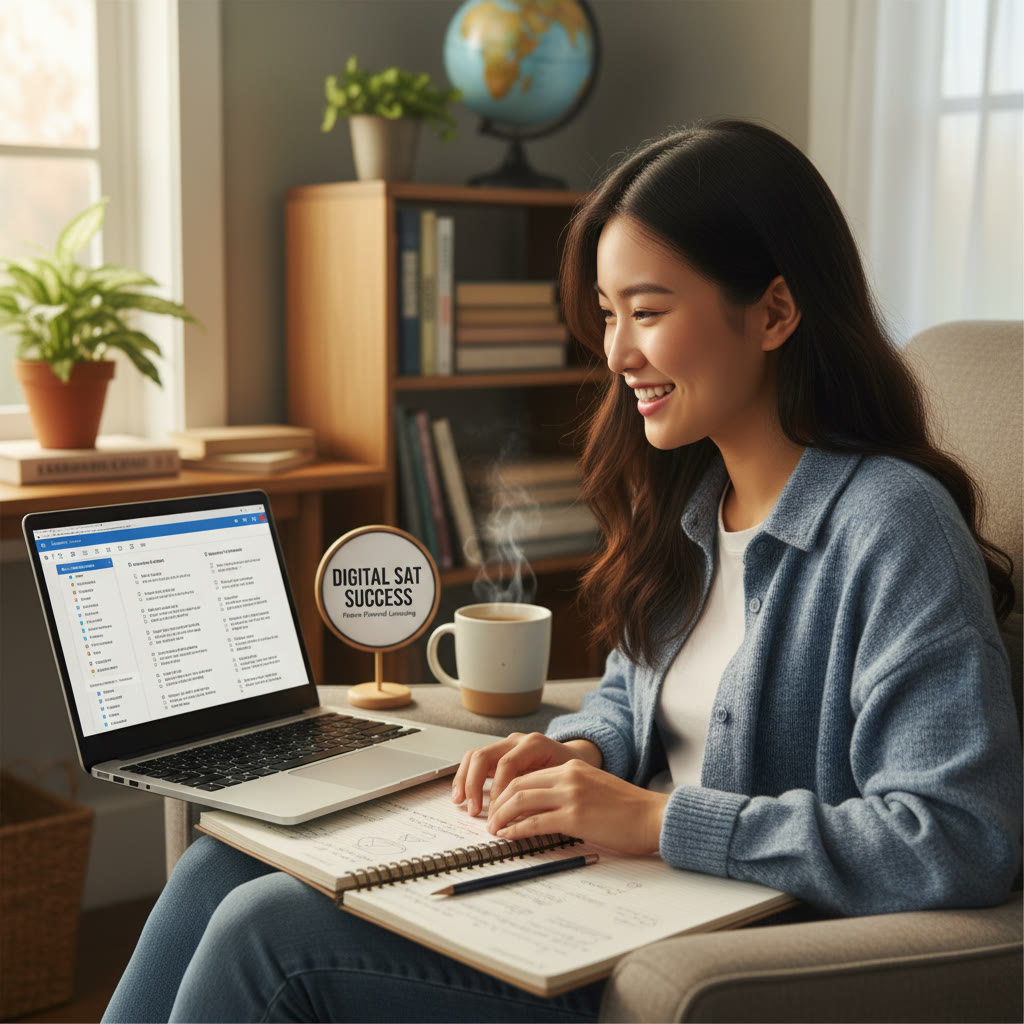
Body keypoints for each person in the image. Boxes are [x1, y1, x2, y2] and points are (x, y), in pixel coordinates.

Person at [103, 120, 1022, 1024]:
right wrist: (579, 751)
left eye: (649, 312)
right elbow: (633, 698)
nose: (618, 354)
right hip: (600, 899)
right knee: (220, 865)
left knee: (269, 934)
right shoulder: (696, 504)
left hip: (709, 942)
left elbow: (961, 836)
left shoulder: (891, 528)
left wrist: (658, 822)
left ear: (775, 312)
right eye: (610, 313)